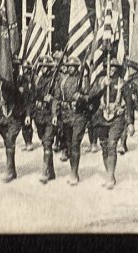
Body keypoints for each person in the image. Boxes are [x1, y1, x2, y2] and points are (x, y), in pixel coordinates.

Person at [86, 59, 134, 190]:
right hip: (101, 118)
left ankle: (110, 176)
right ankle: (110, 173)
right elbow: (90, 96)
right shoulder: (100, 80)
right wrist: (101, 86)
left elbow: (129, 104)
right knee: (105, 146)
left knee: (112, 144)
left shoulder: (123, 84)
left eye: (114, 67)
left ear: (118, 69)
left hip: (117, 118)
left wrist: (130, 122)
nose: (111, 69)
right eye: (109, 66)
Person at [0, 59, 28, 183]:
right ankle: (12, 169)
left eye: (13, 67)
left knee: (10, 140)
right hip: (2, 116)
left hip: (16, 115)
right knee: (7, 142)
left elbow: (24, 98)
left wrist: (27, 115)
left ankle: (9, 170)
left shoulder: (22, 80)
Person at [51, 56, 91, 185]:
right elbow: (56, 98)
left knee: (75, 144)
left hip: (79, 115)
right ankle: (72, 168)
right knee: (68, 144)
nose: (70, 68)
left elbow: (89, 97)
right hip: (65, 115)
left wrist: (81, 97)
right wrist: (54, 115)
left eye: (72, 66)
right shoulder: (63, 80)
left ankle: (74, 172)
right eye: (68, 66)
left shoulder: (83, 79)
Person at [29, 55, 59, 184]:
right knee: (44, 142)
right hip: (39, 115)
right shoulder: (37, 80)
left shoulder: (56, 80)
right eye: (42, 66)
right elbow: (32, 96)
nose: (44, 69)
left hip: (50, 115)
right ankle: (51, 172)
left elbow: (58, 98)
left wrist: (52, 102)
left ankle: (45, 172)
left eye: (47, 67)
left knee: (47, 142)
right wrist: (29, 115)